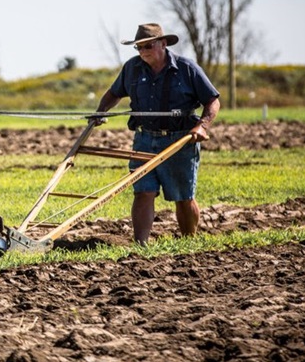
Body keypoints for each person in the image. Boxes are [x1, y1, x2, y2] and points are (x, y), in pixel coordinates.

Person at [95, 23, 221, 244]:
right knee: (143, 191)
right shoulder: (132, 68)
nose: (143, 52)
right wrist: (101, 111)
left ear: (163, 44)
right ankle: (141, 245)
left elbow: (212, 101)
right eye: (139, 48)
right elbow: (114, 93)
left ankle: (187, 242)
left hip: (179, 140)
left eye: (148, 46)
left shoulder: (186, 68)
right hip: (144, 138)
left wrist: (203, 125)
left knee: (183, 196)